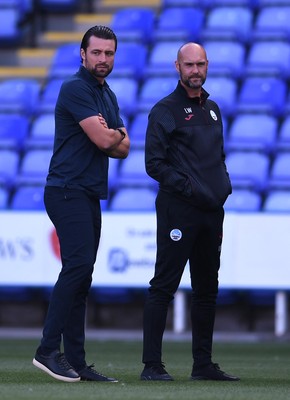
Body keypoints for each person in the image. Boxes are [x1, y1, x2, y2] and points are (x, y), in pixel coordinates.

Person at [32, 25, 130, 383]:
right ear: (82, 53)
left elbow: (123, 147)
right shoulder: (75, 88)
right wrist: (112, 135)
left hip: (87, 192)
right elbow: (106, 140)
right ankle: (46, 350)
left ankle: (76, 361)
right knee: (76, 270)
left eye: (109, 53)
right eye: (97, 52)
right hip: (66, 190)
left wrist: (113, 135)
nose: (103, 59)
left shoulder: (108, 94)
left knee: (82, 276)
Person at [140, 42, 239, 382]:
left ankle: (203, 365)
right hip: (178, 211)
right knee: (164, 286)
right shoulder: (164, 110)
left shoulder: (213, 110)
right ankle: (151, 365)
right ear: (177, 67)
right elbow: (154, 164)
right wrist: (189, 189)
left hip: (211, 213)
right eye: (189, 65)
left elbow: (219, 157)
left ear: (207, 66)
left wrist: (221, 186)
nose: (195, 71)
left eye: (200, 64)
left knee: (207, 289)